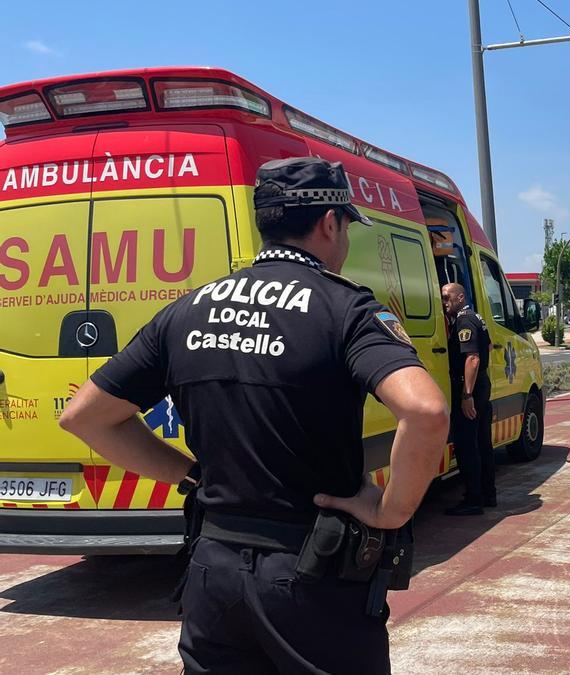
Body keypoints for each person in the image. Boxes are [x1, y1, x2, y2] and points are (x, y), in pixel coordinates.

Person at [58, 157, 449, 673]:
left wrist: (187, 474)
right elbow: (424, 409)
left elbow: (85, 417)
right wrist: (392, 511)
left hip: (211, 568)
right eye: (348, 227)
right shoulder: (345, 309)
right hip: (311, 571)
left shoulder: (188, 309)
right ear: (330, 223)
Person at [441, 282, 495, 516]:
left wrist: (467, 395)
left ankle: (473, 500)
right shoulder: (476, 318)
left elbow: (472, 358)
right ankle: (487, 494)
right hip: (481, 384)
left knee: (467, 445)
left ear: (460, 297)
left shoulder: (464, 321)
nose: (444, 303)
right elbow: (489, 346)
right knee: (483, 443)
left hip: (470, 388)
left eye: (447, 297)